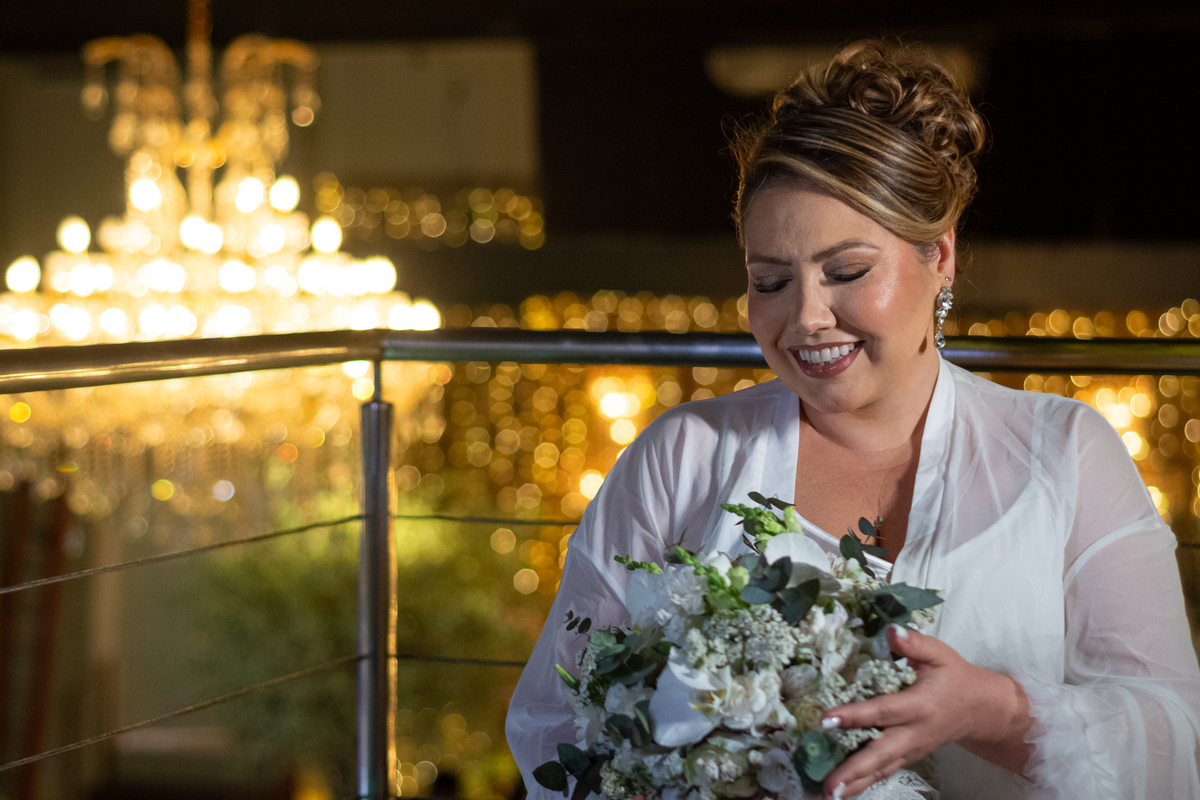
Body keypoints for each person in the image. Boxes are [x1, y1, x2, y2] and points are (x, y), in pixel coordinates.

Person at [506, 40, 1200, 799]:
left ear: (940, 257)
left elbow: (1173, 736)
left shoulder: (1068, 454)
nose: (806, 316)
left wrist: (993, 710)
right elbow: (558, 720)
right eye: (771, 280)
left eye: (846, 271)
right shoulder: (683, 457)